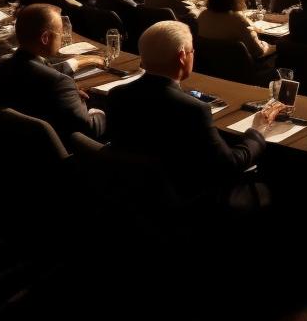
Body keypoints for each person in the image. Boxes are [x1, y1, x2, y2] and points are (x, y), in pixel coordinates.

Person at [106, 21, 280, 205]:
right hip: (190, 201)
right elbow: (228, 167)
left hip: (135, 196)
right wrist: (257, 132)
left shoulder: (117, 95)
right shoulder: (193, 110)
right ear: (182, 57)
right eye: (192, 51)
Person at [0, 3, 107, 141]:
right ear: (45, 38)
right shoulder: (58, 82)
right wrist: (98, 109)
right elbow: (91, 129)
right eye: (60, 32)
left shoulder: (3, 63)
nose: (63, 37)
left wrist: (68, 94)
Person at [197, 0, 269, 60]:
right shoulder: (238, 20)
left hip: (210, 67)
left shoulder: (202, 16)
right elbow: (258, 52)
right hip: (241, 70)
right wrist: (269, 46)